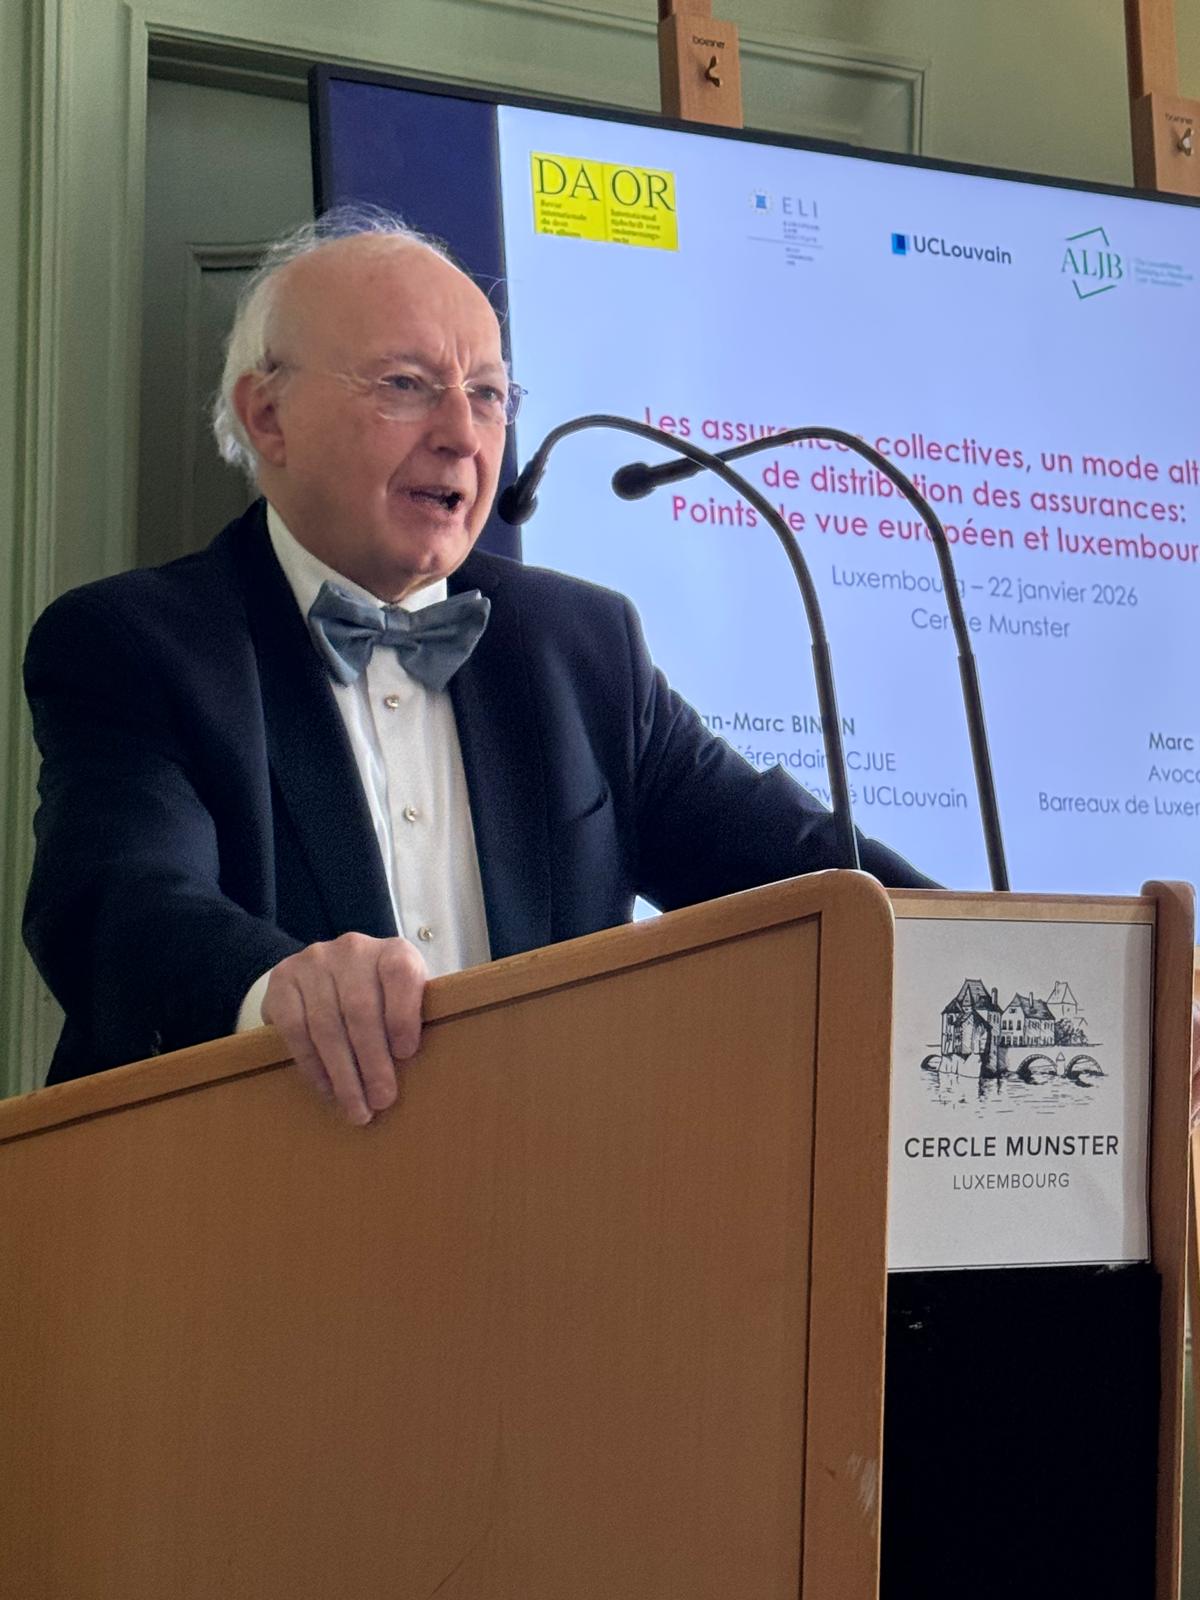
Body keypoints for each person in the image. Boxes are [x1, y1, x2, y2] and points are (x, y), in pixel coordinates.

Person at [23, 211, 934, 1123]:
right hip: (244, 1179)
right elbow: (120, 903)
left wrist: (985, 943)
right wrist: (276, 990)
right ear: (270, 417)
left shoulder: (581, 644)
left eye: (490, 394)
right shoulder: (137, 643)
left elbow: (808, 874)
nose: (463, 434)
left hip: (547, 1186)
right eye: (406, 385)